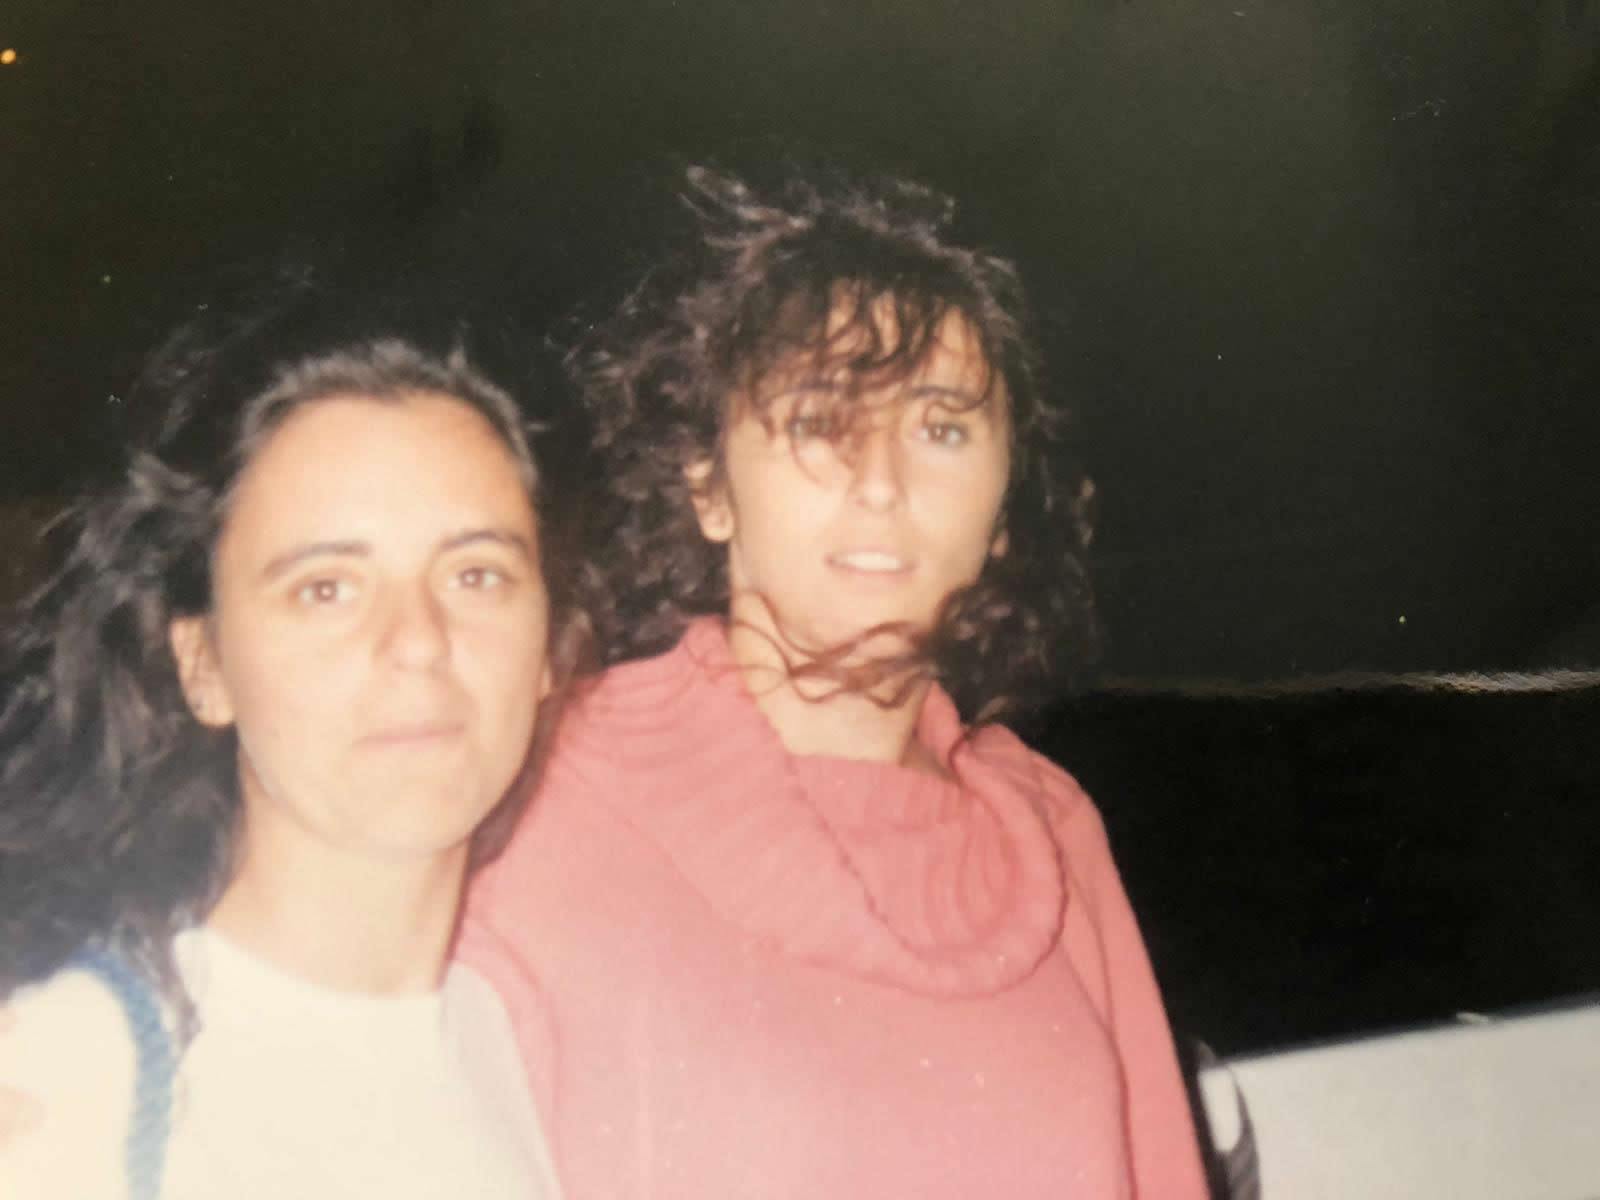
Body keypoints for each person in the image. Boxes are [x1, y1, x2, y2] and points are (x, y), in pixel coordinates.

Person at [460, 165, 1211, 1198]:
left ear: (1001, 514)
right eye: (819, 419)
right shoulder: (543, 803)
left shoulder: (1048, 826)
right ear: (709, 487)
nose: (881, 481)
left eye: (940, 427)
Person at [0, 282, 577, 1199]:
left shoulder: (498, 1039)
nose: (420, 641)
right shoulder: (69, 1078)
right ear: (204, 667)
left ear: (548, 647)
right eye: (326, 588)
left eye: (477, 574)